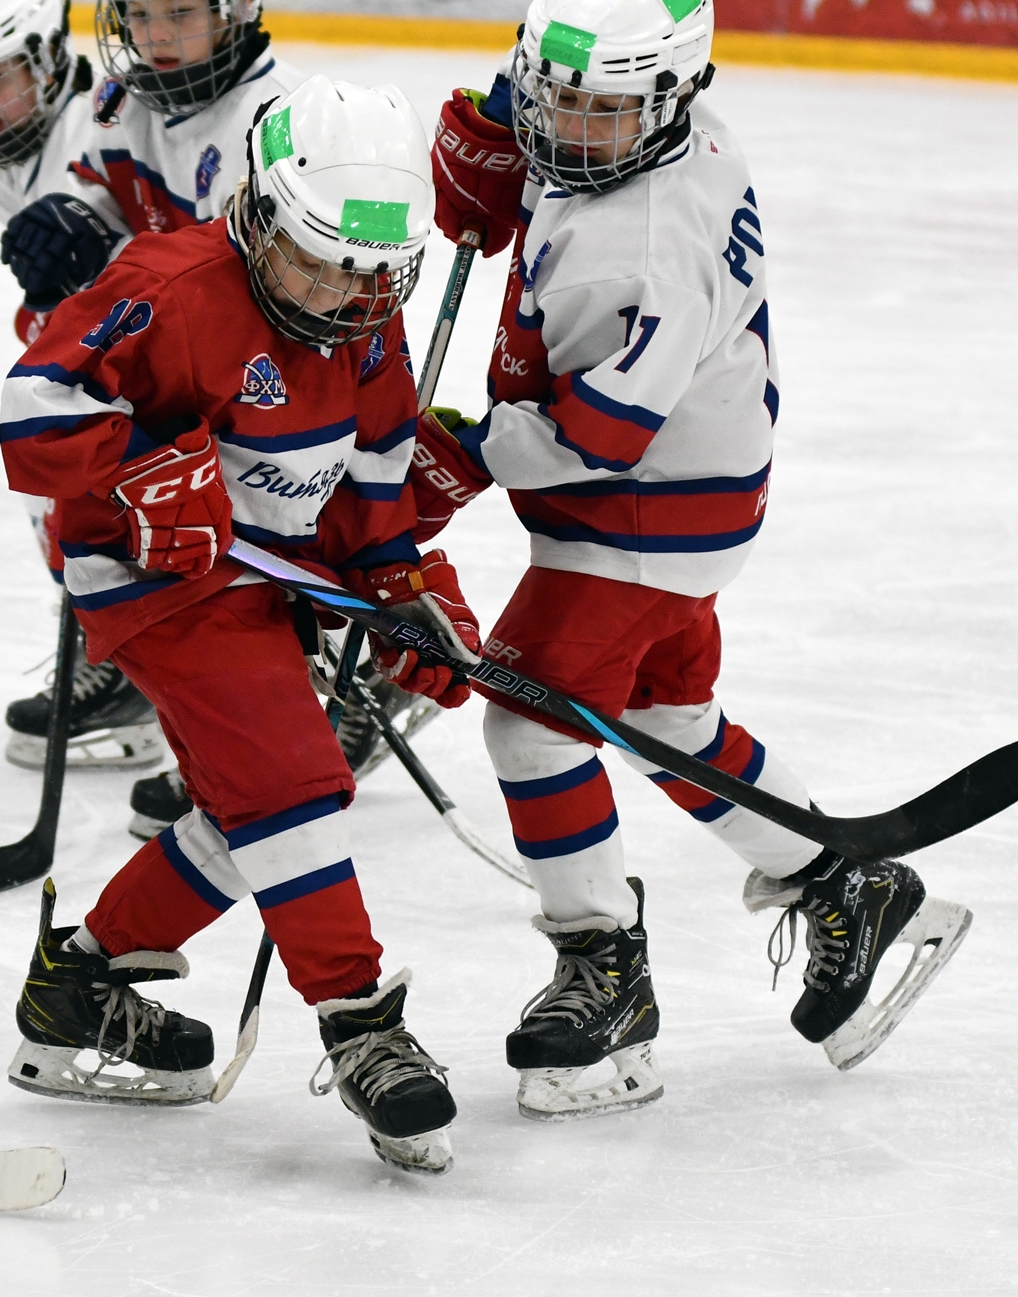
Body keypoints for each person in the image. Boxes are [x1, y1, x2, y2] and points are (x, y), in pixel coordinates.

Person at [416, 0, 971, 1120]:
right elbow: (556, 91)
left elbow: (591, 436)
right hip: (703, 479)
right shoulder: (657, 116)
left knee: (529, 720)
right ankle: (843, 883)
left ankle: (601, 968)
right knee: (666, 715)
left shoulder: (644, 249)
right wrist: (497, 120)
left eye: (601, 109)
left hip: (638, 504)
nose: (570, 124)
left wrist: (462, 455)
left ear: (666, 97)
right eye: (553, 93)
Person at [0, 76, 468, 1174]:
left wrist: (400, 586)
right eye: (318, 261)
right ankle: (358, 1021)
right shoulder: (169, 282)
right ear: (258, 213)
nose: (346, 293)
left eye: (370, 273)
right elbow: (35, 406)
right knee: (293, 779)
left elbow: (373, 473)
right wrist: (135, 479)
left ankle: (82, 983)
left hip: (269, 573)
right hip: (150, 578)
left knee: (253, 804)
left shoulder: (365, 319)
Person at [0, 0, 167, 776]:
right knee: (47, 473)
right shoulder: (10, 155)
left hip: (179, 352)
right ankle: (124, 650)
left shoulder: (104, 124)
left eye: (0, 78)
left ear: (49, 58)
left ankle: (159, 660)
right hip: (109, 343)